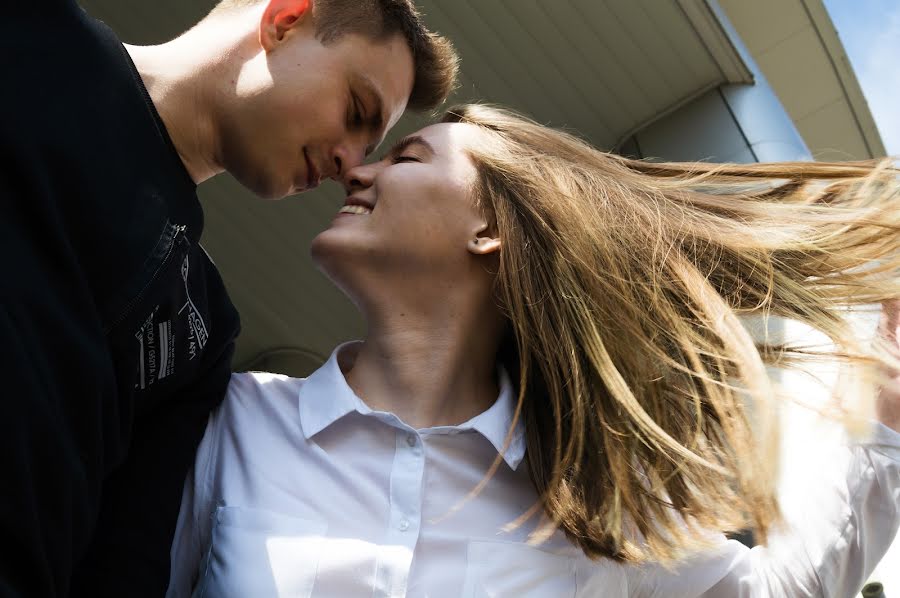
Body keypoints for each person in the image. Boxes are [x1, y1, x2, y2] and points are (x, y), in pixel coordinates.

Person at [168, 104, 900, 596]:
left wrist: (887, 412)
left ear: (491, 230)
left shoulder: (588, 508)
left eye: (409, 158)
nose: (359, 171)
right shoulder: (230, 422)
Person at [0, 0, 457, 595]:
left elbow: (122, 566)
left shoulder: (203, 331)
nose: (350, 164)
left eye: (369, 148)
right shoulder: (27, 31)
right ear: (285, 20)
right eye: (356, 111)